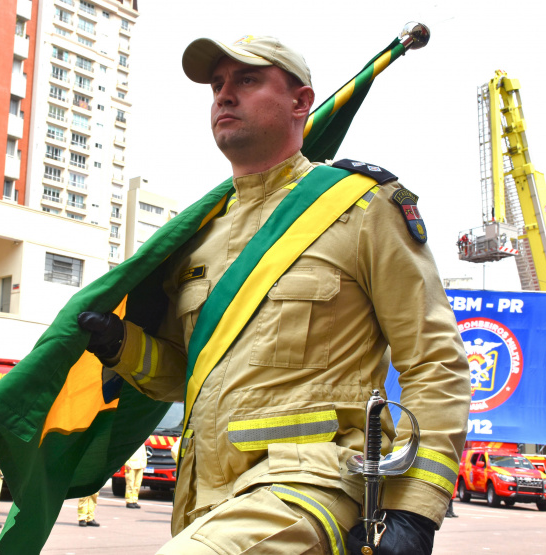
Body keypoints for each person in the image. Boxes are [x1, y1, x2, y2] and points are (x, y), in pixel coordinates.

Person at [78, 35, 471, 555]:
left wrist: (415, 510)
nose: (223, 96)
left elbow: (435, 364)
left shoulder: (361, 208)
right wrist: (121, 346)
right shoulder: (198, 238)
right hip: (204, 502)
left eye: (246, 79)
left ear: (301, 102)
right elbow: (187, 378)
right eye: (217, 85)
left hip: (313, 490)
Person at [123, 444, 147, 509]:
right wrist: (127, 463)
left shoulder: (142, 443)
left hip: (140, 465)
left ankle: (134, 500)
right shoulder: (131, 441)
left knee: (137, 485)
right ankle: (129, 501)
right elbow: (125, 453)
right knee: (130, 484)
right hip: (131, 466)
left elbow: (144, 453)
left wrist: (144, 464)